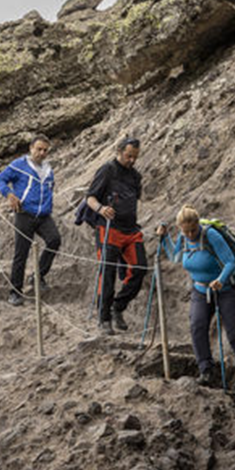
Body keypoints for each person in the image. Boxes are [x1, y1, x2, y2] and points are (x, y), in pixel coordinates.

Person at [157, 206, 235, 404]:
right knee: (197, 327)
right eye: (185, 231)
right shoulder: (184, 237)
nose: (189, 235)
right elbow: (175, 257)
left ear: (198, 225)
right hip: (200, 290)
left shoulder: (210, 235)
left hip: (227, 290)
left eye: (192, 230)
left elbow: (229, 262)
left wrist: (220, 279)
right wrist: (164, 239)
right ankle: (206, 371)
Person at [85, 137, 146, 335]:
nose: (132, 160)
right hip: (108, 228)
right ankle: (104, 319)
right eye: (129, 156)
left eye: (135, 157)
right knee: (107, 273)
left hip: (131, 230)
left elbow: (135, 198)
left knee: (140, 268)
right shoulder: (107, 170)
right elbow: (90, 198)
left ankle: (118, 307)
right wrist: (101, 209)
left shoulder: (136, 176)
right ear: (119, 151)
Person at [0, 136, 61, 306]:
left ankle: (37, 276)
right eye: (39, 149)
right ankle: (15, 292)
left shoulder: (48, 168)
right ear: (31, 148)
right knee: (21, 253)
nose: (42, 153)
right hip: (24, 213)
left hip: (44, 215)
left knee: (54, 240)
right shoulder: (19, 165)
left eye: (45, 150)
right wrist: (9, 195)